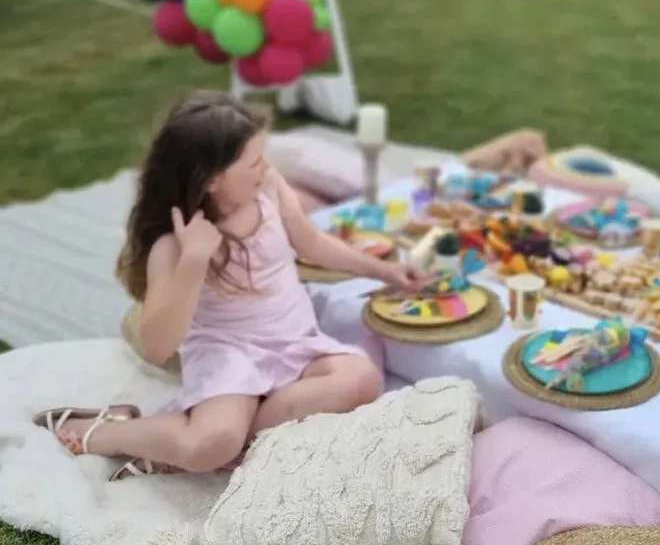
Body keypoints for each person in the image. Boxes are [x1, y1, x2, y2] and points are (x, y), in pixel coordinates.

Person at [33, 92, 431, 481]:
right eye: (253, 162)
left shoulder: (268, 188)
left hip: (295, 341)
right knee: (212, 443)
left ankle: (192, 440)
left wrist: (385, 271)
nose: (265, 168)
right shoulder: (174, 243)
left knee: (361, 379)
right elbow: (156, 347)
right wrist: (193, 261)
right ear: (212, 180)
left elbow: (311, 242)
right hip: (229, 355)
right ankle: (109, 430)